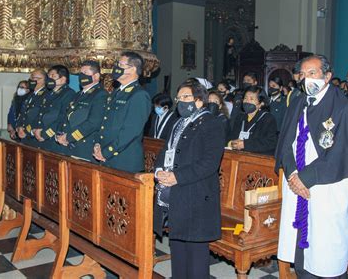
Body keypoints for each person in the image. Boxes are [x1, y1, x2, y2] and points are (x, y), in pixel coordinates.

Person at [275, 55, 348, 278]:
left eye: (313, 73)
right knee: (301, 246)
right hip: (298, 181)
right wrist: (292, 173)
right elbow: (287, 141)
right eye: (303, 74)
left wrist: (304, 178)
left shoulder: (344, 108)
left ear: (327, 76)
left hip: (328, 186)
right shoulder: (298, 102)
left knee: (327, 250)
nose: (307, 79)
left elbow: (341, 154)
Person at [153, 80, 225, 279]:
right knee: (177, 244)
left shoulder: (211, 123)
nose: (181, 101)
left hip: (197, 193)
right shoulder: (178, 122)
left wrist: (176, 177)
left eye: (186, 97)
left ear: (199, 101)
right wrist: (159, 171)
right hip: (177, 193)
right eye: (179, 98)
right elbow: (165, 151)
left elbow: (210, 163)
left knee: (195, 249)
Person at [93, 51, 151, 172]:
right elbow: (105, 122)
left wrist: (107, 152)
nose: (116, 68)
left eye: (120, 64)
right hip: (107, 157)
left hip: (123, 161)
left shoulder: (139, 95)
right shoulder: (117, 92)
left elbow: (130, 131)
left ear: (132, 69)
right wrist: (98, 143)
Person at [56, 60, 108, 161]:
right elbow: (66, 117)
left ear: (96, 76)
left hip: (83, 149)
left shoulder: (100, 95)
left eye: (85, 73)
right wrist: (60, 135)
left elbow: (94, 123)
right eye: (80, 73)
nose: (81, 76)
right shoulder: (78, 94)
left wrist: (69, 137)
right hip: (67, 146)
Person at [32, 65, 76, 153]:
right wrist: (35, 129)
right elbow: (40, 113)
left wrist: (45, 133)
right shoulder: (47, 93)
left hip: (53, 139)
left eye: (53, 76)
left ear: (63, 79)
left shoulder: (69, 94)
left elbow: (63, 117)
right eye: (48, 76)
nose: (49, 79)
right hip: (40, 136)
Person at [228, 86, 277, 155]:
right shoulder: (240, 117)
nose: (247, 101)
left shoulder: (268, 118)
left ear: (261, 104)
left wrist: (245, 144)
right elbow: (232, 136)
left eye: (251, 99)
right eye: (245, 98)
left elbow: (271, 143)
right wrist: (232, 143)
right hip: (239, 156)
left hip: (258, 159)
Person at [16, 69, 48, 147]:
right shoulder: (31, 95)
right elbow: (23, 114)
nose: (33, 80)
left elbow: (39, 116)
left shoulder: (46, 95)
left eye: (36, 78)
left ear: (44, 81)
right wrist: (19, 127)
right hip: (25, 137)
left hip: (34, 137)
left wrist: (26, 130)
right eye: (32, 78)